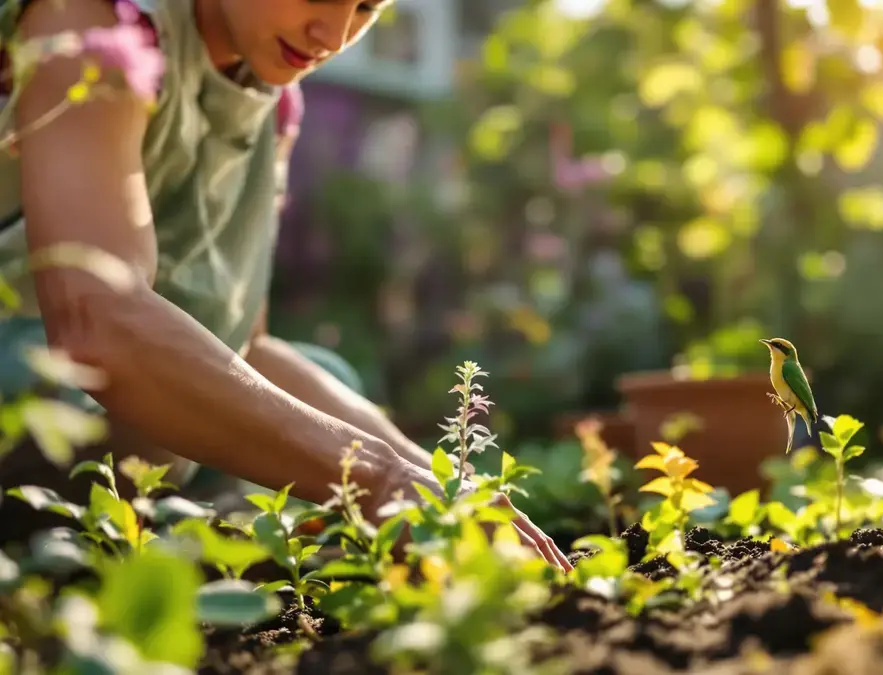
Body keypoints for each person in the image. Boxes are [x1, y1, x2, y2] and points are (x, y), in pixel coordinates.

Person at [0, 0, 572, 572]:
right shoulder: (97, 26)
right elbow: (97, 322)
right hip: (34, 404)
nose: (334, 34)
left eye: (367, 7)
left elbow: (247, 346)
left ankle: (149, 546)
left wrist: (445, 488)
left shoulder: (273, 104)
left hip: (134, 450)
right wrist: (378, 480)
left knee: (329, 386)